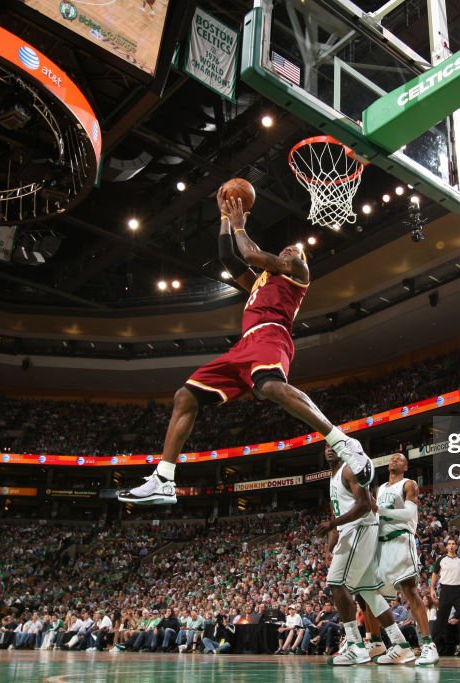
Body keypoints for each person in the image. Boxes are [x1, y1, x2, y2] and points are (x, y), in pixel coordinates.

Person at [119, 196, 370, 505]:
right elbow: (229, 257)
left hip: (271, 335)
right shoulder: (260, 283)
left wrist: (239, 224)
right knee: (185, 396)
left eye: (295, 249)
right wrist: (224, 218)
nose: (289, 249)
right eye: (286, 248)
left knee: (271, 387)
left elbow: (250, 254)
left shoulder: (295, 270)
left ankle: (342, 441)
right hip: (243, 345)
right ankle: (163, 478)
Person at [316, 446, 406, 666]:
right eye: (326, 447)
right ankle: (400, 644)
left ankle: (356, 646)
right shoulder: (333, 477)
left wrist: (333, 524)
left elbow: (365, 505)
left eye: (334, 446)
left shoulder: (350, 470)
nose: (330, 450)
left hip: (360, 528)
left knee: (336, 582)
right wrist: (330, 547)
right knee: (367, 590)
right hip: (351, 531)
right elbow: (336, 515)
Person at [373, 452, 437, 665]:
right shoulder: (380, 488)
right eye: (392, 458)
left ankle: (428, 644)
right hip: (382, 545)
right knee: (373, 594)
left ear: (406, 467)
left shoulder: (409, 484)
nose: (394, 460)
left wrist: (379, 510)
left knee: (409, 591)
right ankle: (398, 646)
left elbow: (409, 514)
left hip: (401, 541)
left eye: (399, 459)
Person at [431, 538, 460, 657]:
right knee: (440, 619)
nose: (451, 546)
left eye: (453, 544)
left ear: (456, 546)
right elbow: (434, 574)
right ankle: (432, 647)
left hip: (458, 591)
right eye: (449, 544)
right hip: (445, 590)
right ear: (446, 547)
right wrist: (432, 589)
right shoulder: (441, 560)